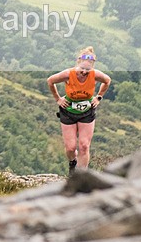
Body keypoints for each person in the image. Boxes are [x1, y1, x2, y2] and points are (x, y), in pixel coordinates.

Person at [47, 47, 111, 175]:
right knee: (70, 148)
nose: (84, 72)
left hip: (86, 112)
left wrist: (98, 97)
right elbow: (50, 81)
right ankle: (72, 162)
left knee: (84, 146)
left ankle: (81, 176)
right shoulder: (68, 74)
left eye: (88, 69)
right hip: (68, 111)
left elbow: (107, 81)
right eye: (82, 68)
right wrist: (58, 99)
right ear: (78, 62)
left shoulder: (95, 74)